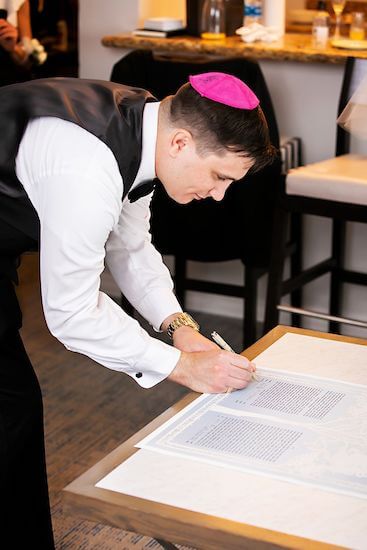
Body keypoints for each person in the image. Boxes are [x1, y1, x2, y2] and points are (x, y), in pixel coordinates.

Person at [0, 72, 276, 548]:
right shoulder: (85, 164)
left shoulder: (146, 127)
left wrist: (180, 329)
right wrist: (182, 367)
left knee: (14, 410)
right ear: (181, 142)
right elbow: (72, 313)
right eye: (219, 177)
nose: (219, 196)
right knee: (10, 410)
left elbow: (129, 246)